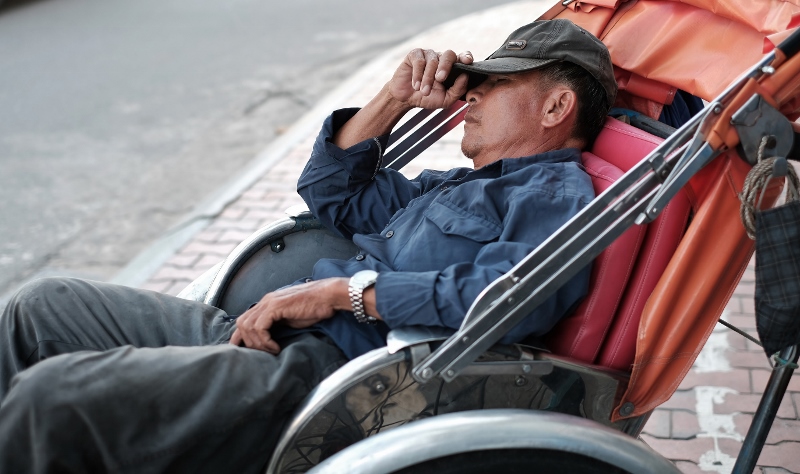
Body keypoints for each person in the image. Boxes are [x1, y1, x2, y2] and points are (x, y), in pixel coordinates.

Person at [0, 19, 616, 473]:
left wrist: (344, 294)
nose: (470, 95)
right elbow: (330, 190)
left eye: (496, 84)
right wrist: (394, 98)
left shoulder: (552, 195)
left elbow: (510, 298)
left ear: (556, 106)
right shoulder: (458, 184)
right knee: (41, 307)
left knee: (51, 400)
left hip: (332, 378)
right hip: (266, 328)